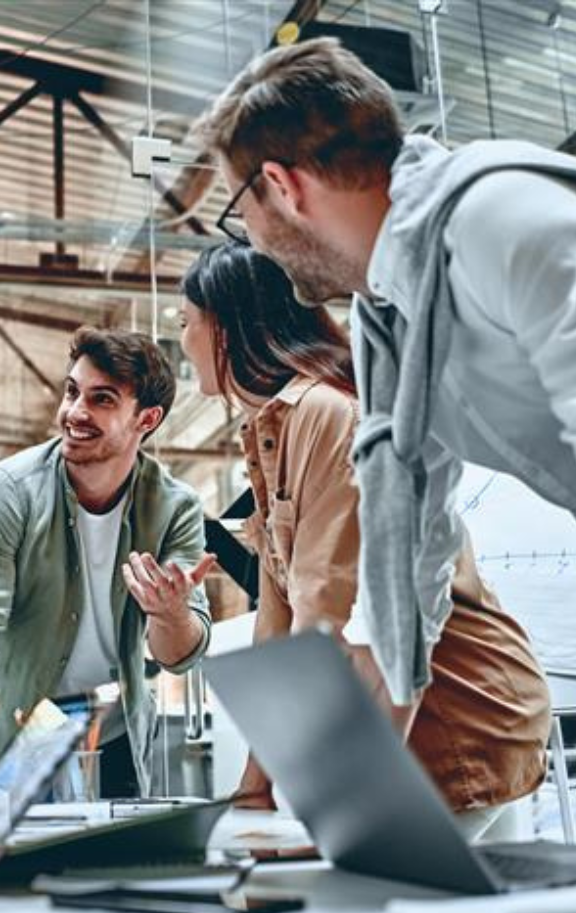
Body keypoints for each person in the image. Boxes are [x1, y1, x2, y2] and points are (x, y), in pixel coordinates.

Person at [197, 36, 576, 846]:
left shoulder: (502, 217)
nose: (254, 242)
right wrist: (352, 811)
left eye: (240, 213)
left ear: (279, 186)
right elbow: (401, 568)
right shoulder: (389, 322)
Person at [180, 242, 550, 835]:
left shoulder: (322, 412)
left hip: (458, 716)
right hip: (430, 721)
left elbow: (320, 612)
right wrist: (253, 787)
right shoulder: (271, 427)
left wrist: (305, 789)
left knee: (372, 911)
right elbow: (278, 614)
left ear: (223, 328)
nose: (182, 342)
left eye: (185, 324)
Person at [0, 328, 213, 800]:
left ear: (146, 419)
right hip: (25, 734)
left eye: (102, 399)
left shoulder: (175, 507)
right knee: (19, 869)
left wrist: (170, 614)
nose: (75, 413)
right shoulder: (7, 491)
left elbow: (178, 654)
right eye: (72, 392)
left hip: (117, 732)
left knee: (121, 869)